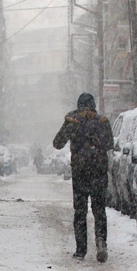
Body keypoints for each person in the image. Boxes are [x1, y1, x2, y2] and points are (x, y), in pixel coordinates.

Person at [53, 93, 113, 262]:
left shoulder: (73, 121)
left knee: (80, 211)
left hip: (80, 173)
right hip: (99, 172)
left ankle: (81, 250)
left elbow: (57, 143)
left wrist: (70, 123)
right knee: (99, 210)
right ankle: (101, 241)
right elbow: (110, 144)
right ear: (93, 105)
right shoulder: (103, 121)